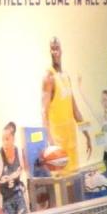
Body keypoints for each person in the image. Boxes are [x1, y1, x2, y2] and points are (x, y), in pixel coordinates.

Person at [41, 36, 93, 172]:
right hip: (58, 144)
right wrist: (50, 142)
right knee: (62, 186)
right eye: (52, 49)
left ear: (61, 50)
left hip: (71, 141)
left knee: (73, 183)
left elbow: (75, 110)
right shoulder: (48, 77)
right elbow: (43, 112)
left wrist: (86, 134)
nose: (54, 52)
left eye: (56, 48)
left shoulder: (66, 76)